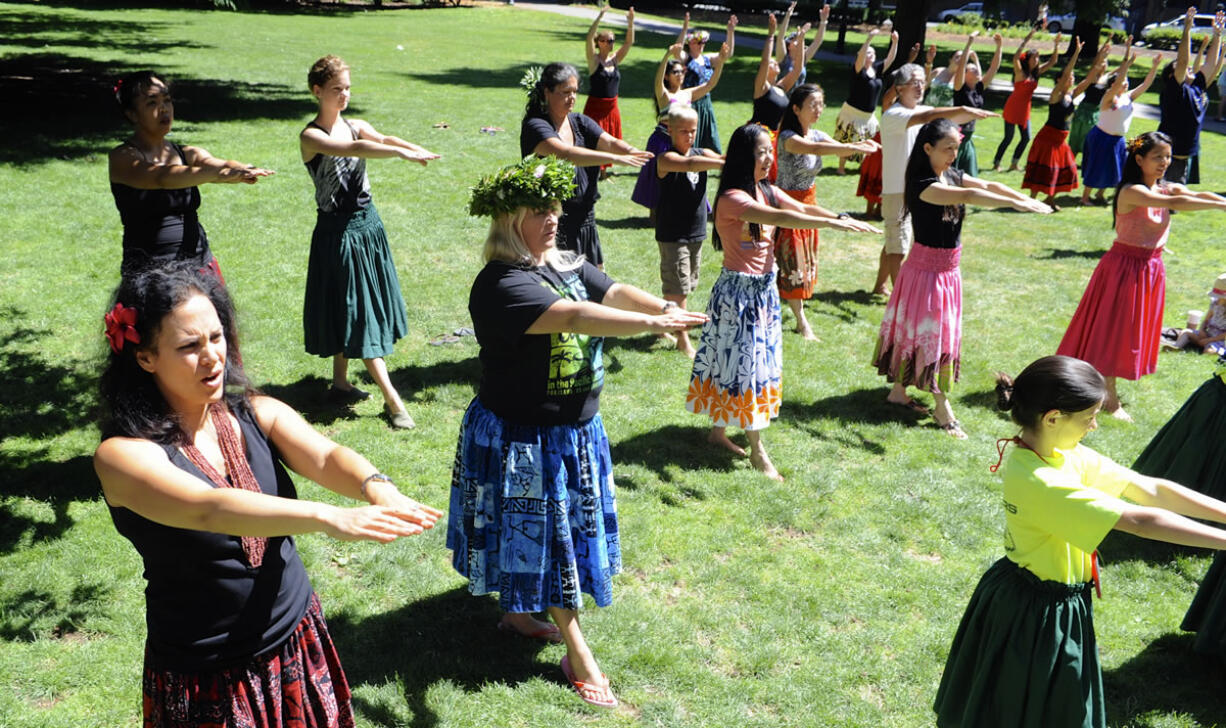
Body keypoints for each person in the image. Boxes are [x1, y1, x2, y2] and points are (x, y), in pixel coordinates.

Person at [94, 263, 442, 726]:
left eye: (216, 337)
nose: (213, 357)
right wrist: (328, 517)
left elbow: (324, 455)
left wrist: (377, 487)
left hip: (295, 637)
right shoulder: (122, 456)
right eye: (189, 346)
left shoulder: (254, 410)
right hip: (209, 673)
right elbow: (208, 508)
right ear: (145, 357)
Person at [449, 156, 706, 709]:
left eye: (556, 208)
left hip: (573, 431)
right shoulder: (503, 284)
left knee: (550, 540)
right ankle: (577, 650)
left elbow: (608, 292)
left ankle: (518, 612)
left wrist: (661, 305)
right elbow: (573, 317)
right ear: (509, 217)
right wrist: (653, 325)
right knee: (552, 545)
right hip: (524, 437)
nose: (552, 218)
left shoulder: (563, 261)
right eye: (539, 210)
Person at [933, 354, 1226, 728]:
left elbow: (1150, 489)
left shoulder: (1061, 453)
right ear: (1053, 418)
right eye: (1089, 417)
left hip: (1054, 602)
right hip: (1032, 614)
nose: (1093, 426)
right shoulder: (1040, 480)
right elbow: (1139, 520)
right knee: (1019, 710)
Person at [686, 123, 880, 479]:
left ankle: (717, 433)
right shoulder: (733, 199)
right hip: (737, 294)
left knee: (747, 366)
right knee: (745, 369)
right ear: (744, 156)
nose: (767, 158)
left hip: (763, 293)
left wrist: (839, 217)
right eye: (760, 152)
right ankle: (758, 452)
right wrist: (833, 226)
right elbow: (780, 218)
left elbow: (805, 208)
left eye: (769, 151)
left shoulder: (767, 191)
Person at [873, 119, 1051, 438]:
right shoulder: (923, 183)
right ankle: (943, 409)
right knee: (931, 338)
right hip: (926, 273)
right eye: (948, 148)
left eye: (957, 147)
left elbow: (985, 186)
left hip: (946, 272)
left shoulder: (950, 173)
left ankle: (898, 391)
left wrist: (1020, 197)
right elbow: (970, 194)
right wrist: (1013, 203)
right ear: (927, 148)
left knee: (921, 333)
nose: (954, 154)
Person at [300, 55, 439, 429]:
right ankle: (393, 401)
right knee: (358, 313)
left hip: (368, 227)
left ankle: (341, 383)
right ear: (317, 91)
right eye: (336, 89)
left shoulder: (356, 124)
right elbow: (352, 151)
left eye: (347, 87)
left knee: (353, 306)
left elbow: (381, 138)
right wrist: (399, 153)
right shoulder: (313, 136)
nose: (344, 94)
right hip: (338, 233)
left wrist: (411, 146)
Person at [1057, 131, 1226, 421]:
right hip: (1124, 269)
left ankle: (1101, 389)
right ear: (1139, 159)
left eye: (1168, 157)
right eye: (1157, 157)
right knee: (1113, 332)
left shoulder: (1163, 188)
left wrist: (1220, 200)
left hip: (1149, 269)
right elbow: (1183, 204)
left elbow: (1193, 195)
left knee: (1129, 333)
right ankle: (1109, 401)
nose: (1164, 162)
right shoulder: (1132, 192)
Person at [109, 71, 273, 276]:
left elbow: (216, 163)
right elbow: (162, 177)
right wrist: (216, 173)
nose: (163, 108)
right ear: (132, 114)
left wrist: (239, 169)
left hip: (198, 263)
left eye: (167, 100)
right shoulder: (122, 158)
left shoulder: (187, 153)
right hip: (152, 271)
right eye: (152, 103)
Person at [870, 63, 996, 297]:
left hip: (919, 187)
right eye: (913, 83)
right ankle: (902, 298)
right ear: (899, 89)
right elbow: (929, 116)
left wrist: (971, 113)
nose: (920, 86)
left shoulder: (922, 110)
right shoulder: (893, 115)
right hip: (898, 189)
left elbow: (940, 115)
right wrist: (963, 108)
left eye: (922, 81)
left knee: (895, 240)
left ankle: (880, 286)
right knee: (899, 244)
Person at [521, 62, 651, 267]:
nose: (572, 97)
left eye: (575, 92)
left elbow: (609, 141)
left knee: (595, 283)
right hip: (553, 222)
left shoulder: (579, 122)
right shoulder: (536, 126)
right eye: (565, 92)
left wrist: (631, 151)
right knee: (562, 288)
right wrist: (614, 159)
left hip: (585, 221)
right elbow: (566, 154)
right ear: (547, 92)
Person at [776, 84, 879, 339]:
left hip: (810, 202)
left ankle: (788, 310)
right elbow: (816, 150)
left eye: (821, 104)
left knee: (801, 263)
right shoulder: (787, 137)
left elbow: (832, 145)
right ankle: (801, 322)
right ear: (796, 108)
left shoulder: (817, 133)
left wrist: (859, 145)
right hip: (787, 204)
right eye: (813, 105)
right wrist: (855, 148)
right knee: (793, 263)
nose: (818, 109)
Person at [655, 105, 724, 358]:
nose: (689, 136)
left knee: (682, 284)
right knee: (679, 288)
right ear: (669, 130)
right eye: (683, 131)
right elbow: (691, 163)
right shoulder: (666, 158)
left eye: (693, 131)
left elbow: (710, 158)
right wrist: (721, 161)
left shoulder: (701, 152)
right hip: (673, 234)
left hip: (695, 232)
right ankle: (683, 339)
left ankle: (662, 320)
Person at [631, 41, 730, 217]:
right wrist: (667, 56)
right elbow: (657, 80)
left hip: (682, 142)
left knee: (683, 179)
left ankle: (680, 211)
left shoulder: (687, 93)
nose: (680, 74)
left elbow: (710, 85)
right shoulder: (665, 96)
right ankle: (655, 216)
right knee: (657, 181)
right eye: (675, 72)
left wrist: (720, 61)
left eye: (682, 71)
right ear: (668, 76)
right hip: (662, 141)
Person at [1079, 50, 1159, 206]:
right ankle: (1085, 197)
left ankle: (1099, 194)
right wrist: (1127, 65)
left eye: (1126, 80)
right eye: (1123, 81)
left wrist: (1154, 67)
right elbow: (1117, 83)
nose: (1126, 82)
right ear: (1114, 85)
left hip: (1118, 139)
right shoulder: (1108, 97)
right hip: (1102, 136)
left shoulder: (1128, 97)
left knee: (1116, 168)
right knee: (1097, 165)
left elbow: (1146, 84)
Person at [1021, 37, 1091, 210]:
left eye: (1074, 77)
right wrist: (1076, 53)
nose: (1072, 78)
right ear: (1060, 80)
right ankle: (1032, 199)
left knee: (1065, 169)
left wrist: (1098, 64)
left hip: (1061, 139)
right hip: (1048, 138)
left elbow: (1088, 81)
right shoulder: (1056, 95)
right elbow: (1067, 72)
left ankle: (1050, 199)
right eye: (1070, 77)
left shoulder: (1071, 95)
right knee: (1044, 169)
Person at [1157, 9, 1224, 185]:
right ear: (1172, 77)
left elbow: (1210, 64)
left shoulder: (1196, 88)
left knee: (1172, 206)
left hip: (1183, 158)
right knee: (1160, 203)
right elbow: (1183, 61)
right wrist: (1186, 29)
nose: (1188, 69)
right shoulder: (1174, 91)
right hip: (1164, 158)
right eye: (1181, 69)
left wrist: (1217, 35)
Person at [991, 27, 1061, 173]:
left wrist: (1056, 45)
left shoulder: (1036, 73)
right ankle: (996, 163)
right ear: (1028, 59)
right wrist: (1027, 38)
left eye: (1038, 58)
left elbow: (1053, 61)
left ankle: (1014, 164)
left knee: (1026, 138)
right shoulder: (1020, 73)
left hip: (1025, 110)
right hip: (1013, 107)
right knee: (1008, 138)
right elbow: (1015, 58)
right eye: (1034, 57)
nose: (1037, 60)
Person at [834, 26, 898, 176]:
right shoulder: (858, 70)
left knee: (868, 140)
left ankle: (862, 166)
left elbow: (890, 59)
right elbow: (861, 55)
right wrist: (868, 39)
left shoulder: (876, 70)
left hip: (868, 115)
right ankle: (841, 168)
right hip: (853, 112)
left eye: (873, 52)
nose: (871, 54)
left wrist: (895, 42)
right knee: (848, 139)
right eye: (868, 52)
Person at [750, 12, 805, 181]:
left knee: (773, 180)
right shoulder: (762, 88)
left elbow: (797, 69)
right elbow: (765, 60)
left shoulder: (781, 87)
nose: (775, 62)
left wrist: (801, 41)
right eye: (772, 62)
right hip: (758, 137)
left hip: (776, 137)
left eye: (775, 61)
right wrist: (771, 36)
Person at [583, 5, 635, 178]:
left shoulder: (615, 60)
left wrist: (630, 23)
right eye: (604, 40)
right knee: (595, 138)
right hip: (596, 107)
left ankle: (603, 170)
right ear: (599, 42)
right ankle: (594, 167)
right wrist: (600, 16)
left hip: (612, 107)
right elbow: (589, 37)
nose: (608, 43)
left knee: (611, 138)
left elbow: (629, 43)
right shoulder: (594, 60)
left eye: (611, 40)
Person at [678, 13, 738, 154]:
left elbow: (726, 55)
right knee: (692, 140)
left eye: (703, 43)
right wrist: (685, 28)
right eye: (698, 43)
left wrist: (730, 31)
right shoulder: (685, 58)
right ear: (690, 44)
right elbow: (677, 51)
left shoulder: (707, 59)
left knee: (708, 139)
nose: (702, 46)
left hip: (706, 104)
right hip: (691, 104)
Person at [950, 32, 1004, 176]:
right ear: (965, 74)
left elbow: (993, 68)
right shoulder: (960, 88)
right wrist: (969, 43)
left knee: (970, 176)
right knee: (952, 175)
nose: (976, 70)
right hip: (956, 136)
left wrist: (999, 47)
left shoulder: (979, 88)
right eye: (972, 69)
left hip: (968, 137)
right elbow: (961, 67)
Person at [1067, 42, 1113, 160]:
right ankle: (1069, 159)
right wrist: (1101, 54)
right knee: (1075, 138)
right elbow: (1095, 64)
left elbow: (1122, 68)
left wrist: (1127, 51)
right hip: (1083, 110)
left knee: (1088, 139)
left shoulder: (1106, 79)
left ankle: (1086, 162)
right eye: (1102, 63)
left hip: (1095, 112)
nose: (1103, 65)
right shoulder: (1091, 77)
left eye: (1105, 63)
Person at [1163, 273, 1226, 354]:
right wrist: (1201, 330)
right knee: (1185, 332)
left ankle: (1211, 350)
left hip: (1217, 339)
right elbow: (1206, 320)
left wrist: (1209, 340)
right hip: (1206, 334)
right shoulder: (1215, 303)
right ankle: (1177, 347)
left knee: (1209, 351)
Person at [775, 2, 829, 88]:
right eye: (796, 39)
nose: (800, 42)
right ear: (789, 45)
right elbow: (780, 38)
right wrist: (788, 15)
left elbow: (817, 42)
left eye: (801, 40)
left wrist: (823, 21)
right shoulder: (783, 58)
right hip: (782, 98)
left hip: (797, 99)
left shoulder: (803, 59)